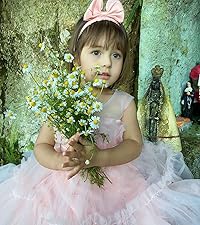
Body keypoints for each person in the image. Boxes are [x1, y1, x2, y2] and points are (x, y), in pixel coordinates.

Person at [0, 0, 200, 224]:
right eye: (96, 52)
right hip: (61, 184)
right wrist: (59, 162)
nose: (106, 63)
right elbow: (41, 145)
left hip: (114, 182)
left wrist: (99, 157)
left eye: (116, 55)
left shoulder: (123, 102)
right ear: (76, 58)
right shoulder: (63, 98)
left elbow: (134, 144)